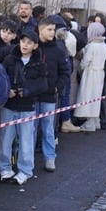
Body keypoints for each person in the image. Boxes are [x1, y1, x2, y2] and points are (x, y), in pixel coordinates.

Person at [0, 30, 49, 185]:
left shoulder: (39, 63)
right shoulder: (9, 59)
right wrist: (7, 91)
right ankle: (4, 168)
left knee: (26, 140)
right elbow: (2, 78)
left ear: (35, 46)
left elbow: (42, 84)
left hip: (27, 106)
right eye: (23, 41)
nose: (25, 45)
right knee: (6, 138)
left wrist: (26, 91)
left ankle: (25, 170)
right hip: (9, 105)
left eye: (29, 43)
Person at [37, 18, 70, 171]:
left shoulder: (58, 49)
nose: (52, 32)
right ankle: (27, 159)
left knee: (48, 128)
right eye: (49, 29)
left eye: (53, 30)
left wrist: (58, 87)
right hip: (33, 95)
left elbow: (65, 71)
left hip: (49, 95)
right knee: (30, 129)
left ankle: (50, 158)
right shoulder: (34, 47)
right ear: (41, 30)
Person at [74, 22, 106, 131]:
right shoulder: (103, 44)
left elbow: (86, 60)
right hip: (100, 72)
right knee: (96, 97)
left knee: (88, 96)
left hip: (91, 73)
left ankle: (90, 123)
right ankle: (95, 120)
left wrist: (81, 66)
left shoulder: (92, 45)